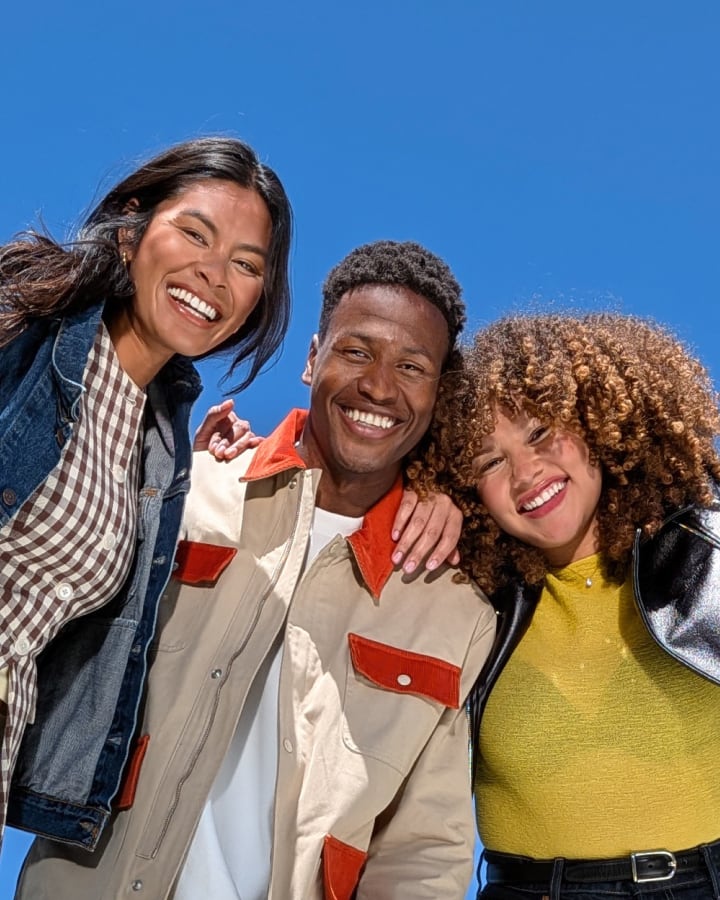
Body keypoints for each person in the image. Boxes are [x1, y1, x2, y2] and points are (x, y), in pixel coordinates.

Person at [16, 240, 497, 899]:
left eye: (412, 367)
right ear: (312, 358)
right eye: (356, 351)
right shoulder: (185, 490)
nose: (379, 386)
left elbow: (422, 852)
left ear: (437, 393)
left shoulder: (453, 608)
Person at [0, 136, 293, 844]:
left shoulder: (155, 447)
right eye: (195, 232)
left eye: (246, 264)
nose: (214, 273)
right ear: (131, 231)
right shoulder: (24, 336)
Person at [410, 311, 720, 900]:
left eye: (538, 433)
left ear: (600, 418)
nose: (526, 473)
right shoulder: (462, 598)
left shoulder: (709, 554)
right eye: (489, 463)